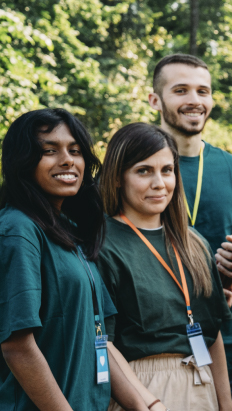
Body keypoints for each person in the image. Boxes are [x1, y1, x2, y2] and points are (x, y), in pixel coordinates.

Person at [0, 109, 152, 410]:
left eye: (75, 150)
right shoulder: (18, 229)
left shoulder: (69, 229)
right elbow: (17, 346)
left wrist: (144, 406)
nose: (68, 160)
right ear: (22, 160)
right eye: (49, 151)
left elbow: (99, 340)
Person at [149, 53, 232, 409]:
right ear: (154, 100)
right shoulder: (133, 172)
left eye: (203, 91)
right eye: (180, 90)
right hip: (160, 361)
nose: (195, 100)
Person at [96, 123, 232, 410]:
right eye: (144, 171)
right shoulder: (103, 246)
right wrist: (148, 404)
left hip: (202, 381)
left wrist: (227, 403)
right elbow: (102, 344)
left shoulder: (193, 242)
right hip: (142, 388)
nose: (159, 183)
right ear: (118, 177)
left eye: (167, 170)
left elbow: (212, 335)